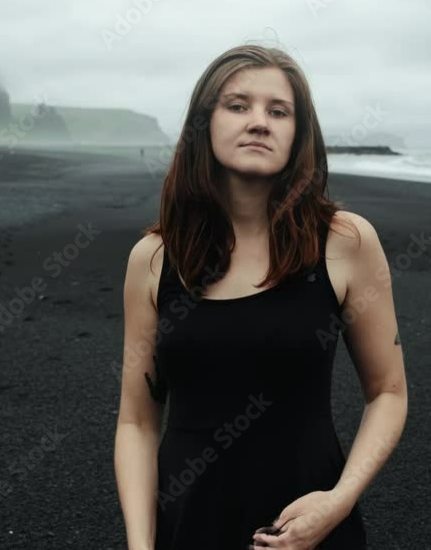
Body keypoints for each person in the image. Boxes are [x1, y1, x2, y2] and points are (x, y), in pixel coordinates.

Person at [114, 44, 408, 550]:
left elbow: (388, 393)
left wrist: (336, 502)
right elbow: (137, 422)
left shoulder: (345, 242)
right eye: (237, 105)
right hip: (189, 521)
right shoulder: (155, 258)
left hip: (311, 526)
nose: (259, 122)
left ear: (299, 134)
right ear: (204, 123)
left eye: (279, 111)